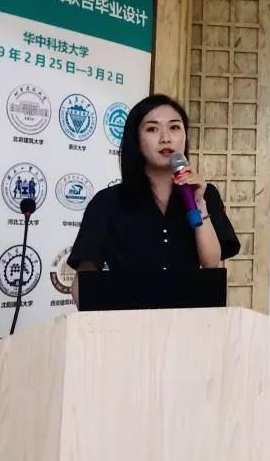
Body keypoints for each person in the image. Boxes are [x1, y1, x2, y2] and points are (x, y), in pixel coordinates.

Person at [67, 94, 240, 306]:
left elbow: (211, 263)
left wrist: (199, 204)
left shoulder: (205, 193)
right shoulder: (107, 202)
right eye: (152, 129)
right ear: (136, 140)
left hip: (189, 317)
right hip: (128, 318)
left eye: (174, 127)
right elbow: (85, 278)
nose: (166, 138)